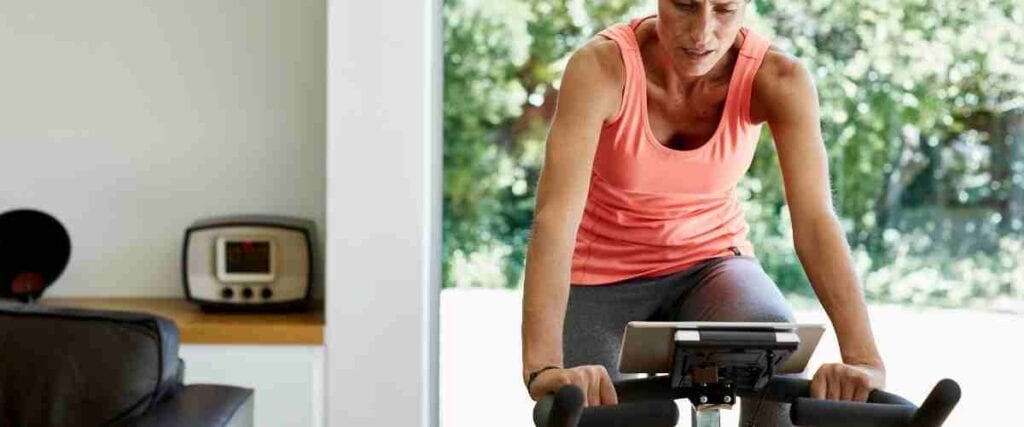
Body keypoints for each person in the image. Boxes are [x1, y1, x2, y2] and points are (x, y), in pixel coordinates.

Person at [520, 1, 886, 425]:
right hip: (600, 274)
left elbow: (815, 220)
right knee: (594, 409)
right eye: (685, 6)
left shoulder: (779, 78)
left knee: (776, 350)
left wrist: (864, 359)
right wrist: (542, 366)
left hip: (711, 265)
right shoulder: (601, 68)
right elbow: (555, 218)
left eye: (725, 9)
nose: (701, 33)